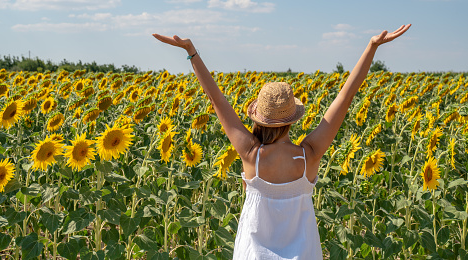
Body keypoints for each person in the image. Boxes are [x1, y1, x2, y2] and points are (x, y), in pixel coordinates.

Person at [152, 23, 411, 259]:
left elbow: (217, 99)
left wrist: (192, 52)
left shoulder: (250, 154)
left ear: (258, 118)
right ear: (291, 119)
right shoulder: (309, 155)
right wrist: (371, 47)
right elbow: (345, 97)